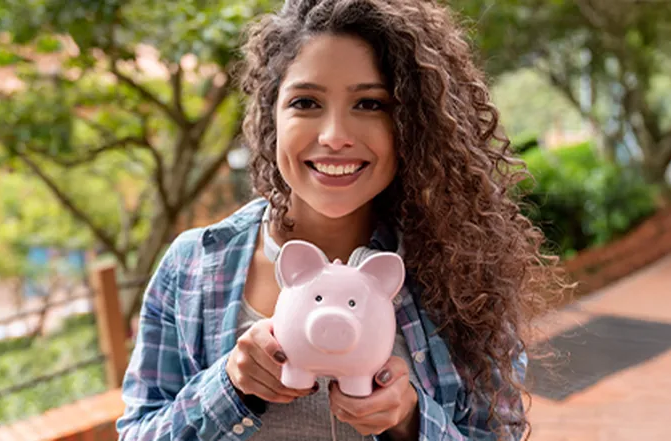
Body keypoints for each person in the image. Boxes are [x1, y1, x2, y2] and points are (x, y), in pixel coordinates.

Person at [115, 0, 567, 439]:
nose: (334, 137)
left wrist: (410, 420)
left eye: (369, 104)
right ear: (272, 115)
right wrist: (229, 386)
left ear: (412, 123)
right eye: (306, 103)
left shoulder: (460, 271)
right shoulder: (193, 266)